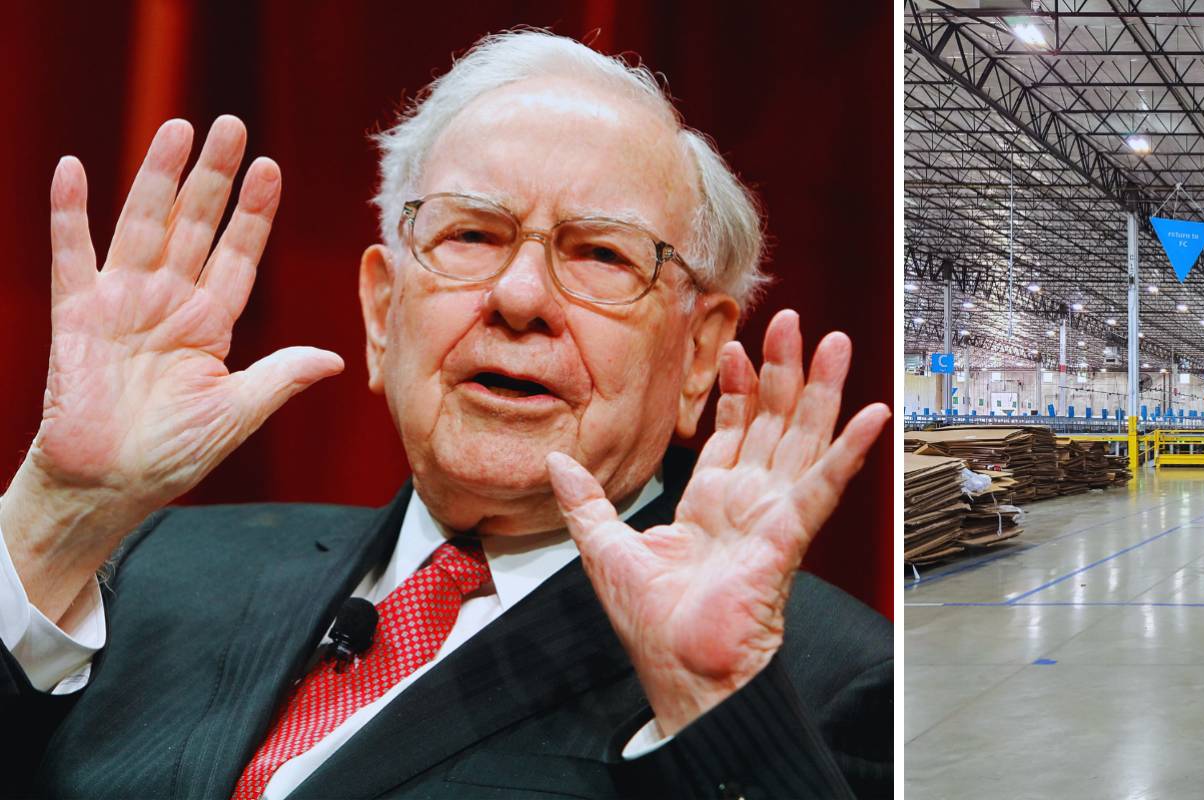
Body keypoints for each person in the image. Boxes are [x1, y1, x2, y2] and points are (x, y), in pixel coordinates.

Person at [0, 30, 891, 800]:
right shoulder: (149, 569)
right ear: (383, 314)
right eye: (471, 235)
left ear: (699, 355)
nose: (518, 296)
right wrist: (57, 514)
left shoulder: (815, 678)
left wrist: (712, 706)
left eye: (602, 255)